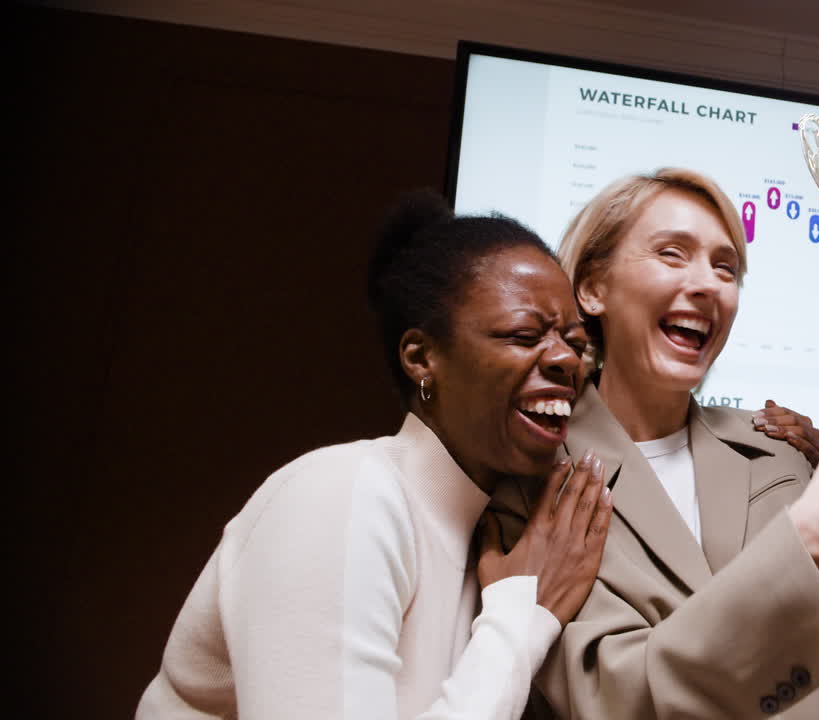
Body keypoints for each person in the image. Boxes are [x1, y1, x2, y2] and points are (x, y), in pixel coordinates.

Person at [487, 168, 819, 719]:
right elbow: (613, 700)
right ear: (592, 288)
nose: (709, 283)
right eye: (672, 253)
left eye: (725, 266)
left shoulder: (775, 451)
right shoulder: (529, 489)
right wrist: (806, 542)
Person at [136, 189, 613, 719]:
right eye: (525, 334)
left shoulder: (491, 535)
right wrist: (524, 618)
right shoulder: (339, 494)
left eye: (576, 342)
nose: (567, 360)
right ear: (421, 356)